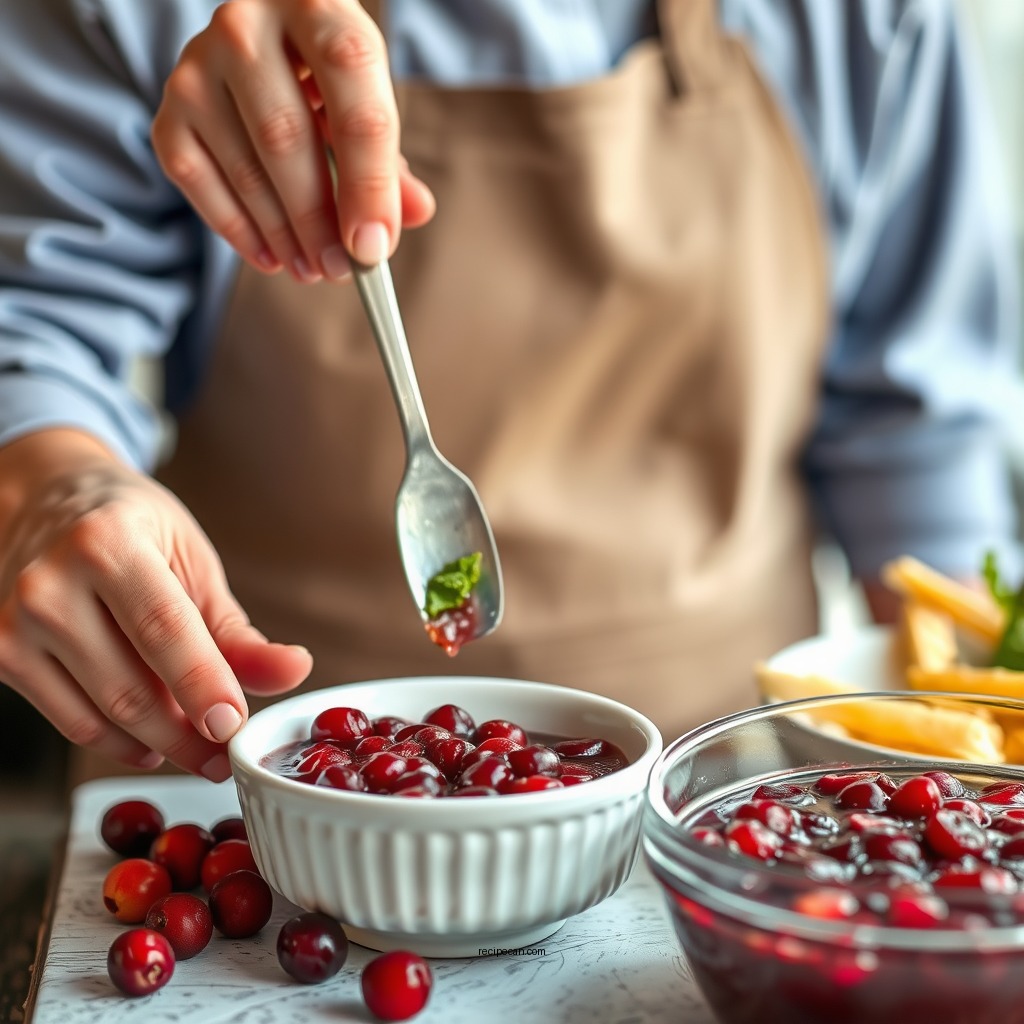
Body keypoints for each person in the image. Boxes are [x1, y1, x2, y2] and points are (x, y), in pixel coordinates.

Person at [0, 0, 1018, 783]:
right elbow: (36, 324)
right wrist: (52, 483)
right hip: (247, 792)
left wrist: (966, 787)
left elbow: (917, 444)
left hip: (727, 803)